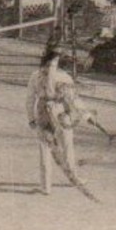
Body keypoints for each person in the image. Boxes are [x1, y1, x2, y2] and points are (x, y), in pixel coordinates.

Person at [26, 42, 90, 197]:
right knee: (67, 145)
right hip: (60, 112)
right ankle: (73, 178)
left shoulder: (35, 76)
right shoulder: (64, 76)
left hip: (42, 112)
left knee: (45, 149)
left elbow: (29, 99)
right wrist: (86, 115)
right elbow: (74, 100)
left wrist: (31, 118)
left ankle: (45, 186)